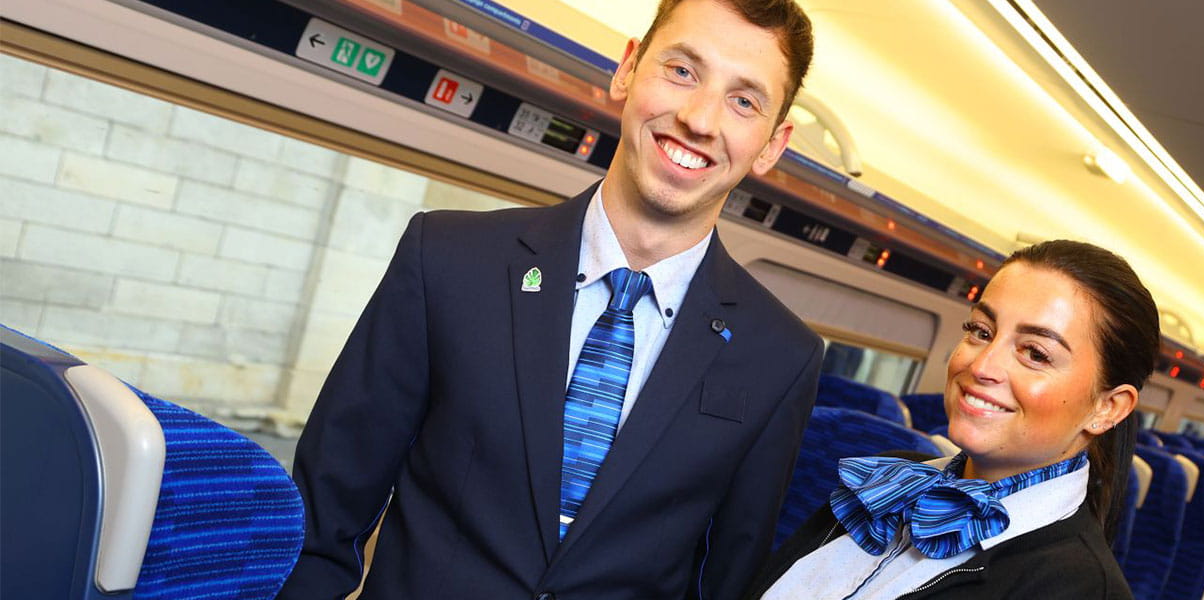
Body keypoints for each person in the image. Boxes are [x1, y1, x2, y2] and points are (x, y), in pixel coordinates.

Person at [279, 1, 821, 598]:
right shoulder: (448, 260)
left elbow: (726, 581)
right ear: (628, 68)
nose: (699, 119)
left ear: (772, 145)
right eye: (682, 71)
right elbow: (324, 514)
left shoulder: (781, 357)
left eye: (743, 101)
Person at [748, 240, 1156, 599]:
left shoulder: (1081, 588)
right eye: (981, 331)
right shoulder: (890, 479)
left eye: (1035, 353)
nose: (981, 365)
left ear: (1108, 407)